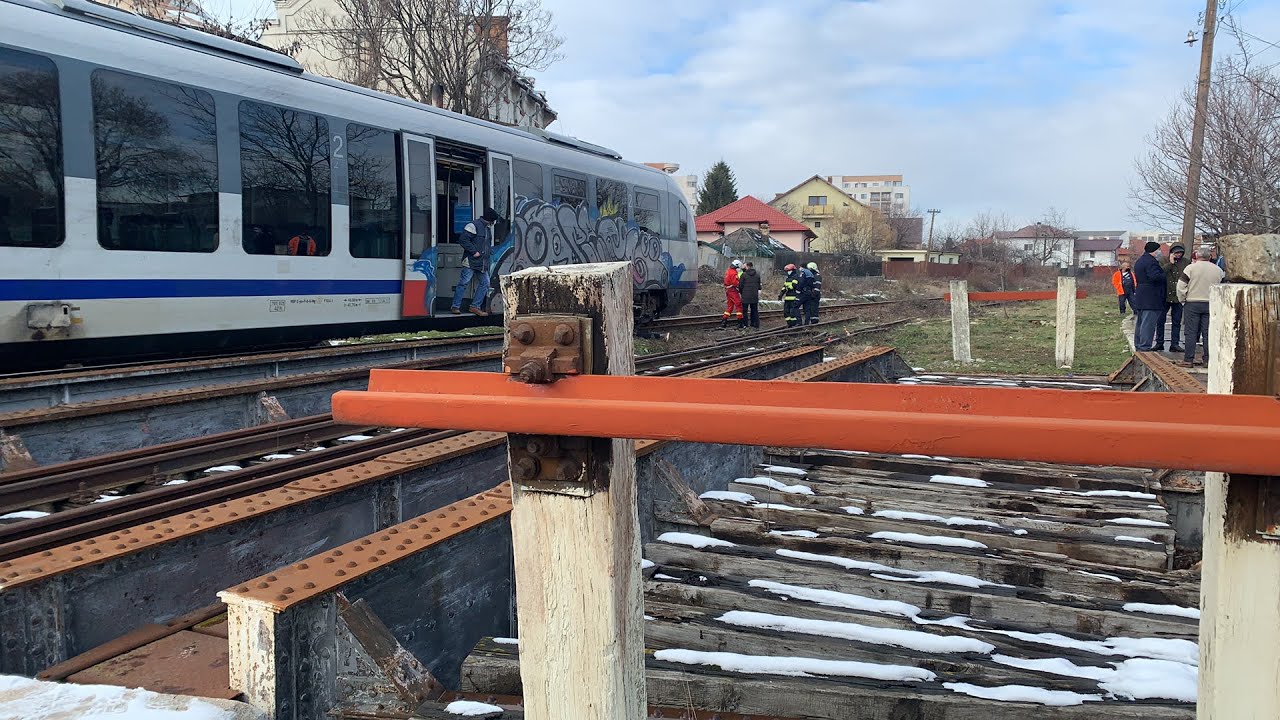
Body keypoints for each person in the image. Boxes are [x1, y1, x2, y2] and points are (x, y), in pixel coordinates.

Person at [1177, 247, 1225, 367]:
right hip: (1211, 303)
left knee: (1191, 332)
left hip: (1192, 303)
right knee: (1209, 333)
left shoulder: (1190, 268)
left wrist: (1183, 299)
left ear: (1197, 256)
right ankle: (1208, 360)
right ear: (1210, 257)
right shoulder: (1218, 270)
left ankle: (1188, 359)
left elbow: (1181, 285)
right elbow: (1223, 287)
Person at [451, 207, 499, 316]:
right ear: (490, 220)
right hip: (471, 261)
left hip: (481, 262)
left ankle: (474, 306)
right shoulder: (473, 225)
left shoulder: (484, 228)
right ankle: (456, 306)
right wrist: (474, 252)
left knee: (484, 284)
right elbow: (463, 240)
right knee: (464, 283)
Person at [1132, 241, 1167, 351]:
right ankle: (1145, 346)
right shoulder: (1151, 262)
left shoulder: (1140, 261)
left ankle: (1139, 345)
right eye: (1158, 250)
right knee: (1148, 324)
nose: (1160, 252)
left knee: (1141, 323)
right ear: (1154, 250)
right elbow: (1154, 276)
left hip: (1141, 296)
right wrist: (1164, 275)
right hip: (1151, 297)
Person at [1157, 244, 1191, 352]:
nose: (1178, 255)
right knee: (1160, 320)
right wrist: (1170, 264)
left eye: (1180, 253)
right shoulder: (1163, 260)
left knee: (1176, 321)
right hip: (1165, 295)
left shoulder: (1186, 262)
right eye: (1176, 253)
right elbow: (1160, 273)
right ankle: (1159, 342)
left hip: (1178, 296)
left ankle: (1175, 343)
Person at [720, 259, 744, 329]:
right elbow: (735, 283)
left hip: (728, 290)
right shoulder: (733, 273)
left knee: (730, 306)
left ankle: (724, 321)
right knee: (738, 304)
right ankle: (740, 322)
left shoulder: (728, 271)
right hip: (732, 291)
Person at [738, 261, 761, 329]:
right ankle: (755, 324)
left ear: (747, 266)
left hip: (745, 296)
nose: (743, 267)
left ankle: (745, 324)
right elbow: (759, 286)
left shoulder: (744, 275)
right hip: (754, 296)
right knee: (754, 310)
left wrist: (742, 293)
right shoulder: (757, 275)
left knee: (744, 311)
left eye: (744, 265)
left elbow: (740, 286)